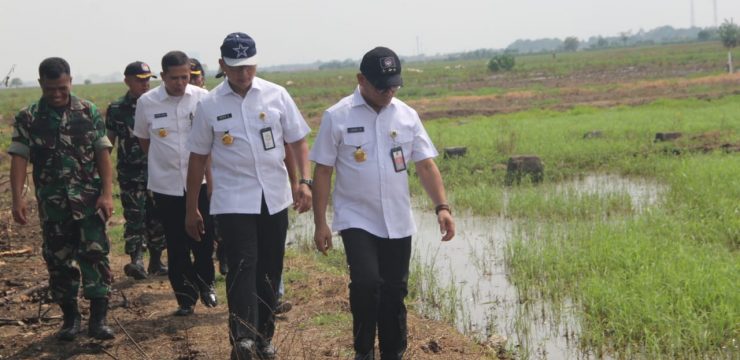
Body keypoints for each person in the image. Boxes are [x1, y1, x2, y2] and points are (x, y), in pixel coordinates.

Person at [311, 46, 456, 360]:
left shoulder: (406, 115)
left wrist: (442, 206)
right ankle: (364, 350)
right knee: (365, 284)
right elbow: (323, 170)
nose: (389, 92)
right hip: (356, 218)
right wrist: (320, 222)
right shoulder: (337, 116)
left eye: (394, 85)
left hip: (397, 218)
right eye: (381, 86)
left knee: (394, 291)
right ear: (361, 80)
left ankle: (393, 352)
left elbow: (426, 165)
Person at [185, 32, 312, 360]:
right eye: (236, 67)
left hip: (273, 197)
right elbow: (197, 157)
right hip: (232, 200)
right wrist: (191, 209)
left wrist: (304, 182)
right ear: (222, 65)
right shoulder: (209, 104)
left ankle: (265, 337)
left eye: (249, 66)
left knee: (270, 269)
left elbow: (297, 140)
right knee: (243, 266)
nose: (243, 74)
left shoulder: (276, 95)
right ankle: (242, 338)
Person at [9, 57, 116, 341]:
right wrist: (17, 199)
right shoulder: (29, 117)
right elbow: (19, 157)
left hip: (89, 202)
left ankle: (98, 320)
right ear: (41, 84)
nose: (56, 94)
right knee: (58, 261)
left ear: (70, 81)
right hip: (53, 205)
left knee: (96, 256)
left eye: (62, 88)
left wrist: (107, 194)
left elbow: (102, 154)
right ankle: (70, 319)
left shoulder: (88, 111)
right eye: (50, 89)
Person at [133, 50, 216, 316]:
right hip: (166, 185)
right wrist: (162, 161)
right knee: (176, 241)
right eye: (174, 78)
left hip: (201, 182)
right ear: (163, 76)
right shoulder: (147, 102)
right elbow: (144, 140)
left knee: (203, 237)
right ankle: (185, 297)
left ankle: (207, 285)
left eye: (185, 77)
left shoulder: (204, 99)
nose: (180, 83)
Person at [106, 61, 167, 280]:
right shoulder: (116, 109)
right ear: (127, 81)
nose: (144, 84)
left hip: (158, 170)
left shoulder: (158, 103)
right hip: (131, 172)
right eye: (139, 80)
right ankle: (137, 261)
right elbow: (109, 141)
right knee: (134, 216)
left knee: (158, 216)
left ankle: (156, 261)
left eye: (147, 80)